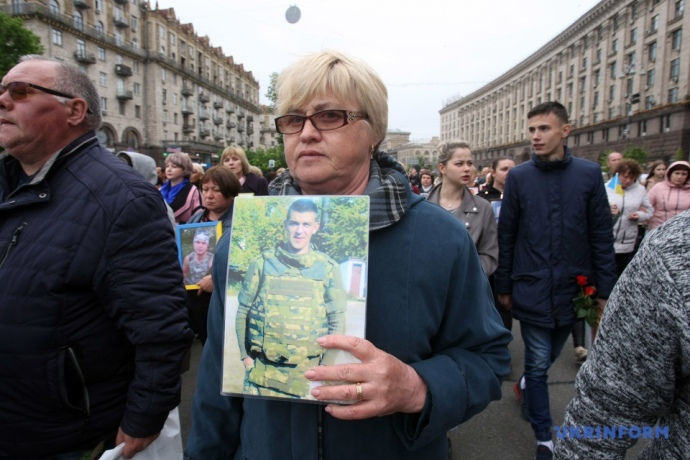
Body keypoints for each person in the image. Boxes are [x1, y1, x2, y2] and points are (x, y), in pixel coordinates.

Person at [185, 49, 511, 460]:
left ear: (374, 132)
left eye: (329, 116)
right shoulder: (242, 242)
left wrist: (417, 387)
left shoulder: (440, 238)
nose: (306, 133)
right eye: (293, 120)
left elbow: (488, 358)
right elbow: (216, 385)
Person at [0, 55, 193, 459]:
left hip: (64, 434)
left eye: (19, 91)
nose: (3, 100)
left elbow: (160, 329)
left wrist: (144, 418)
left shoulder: (122, 199)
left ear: (74, 111)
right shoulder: (10, 181)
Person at [494, 101, 617, 460]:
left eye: (544, 128)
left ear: (565, 130)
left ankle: (525, 386)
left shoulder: (588, 174)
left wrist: (604, 290)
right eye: (532, 129)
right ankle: (544, 437)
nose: (536, 136)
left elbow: (600, 235)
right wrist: (504, 285)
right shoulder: (519, 178)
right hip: (531, 286)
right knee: (537, 363)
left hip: (575, 290)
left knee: (550, 355)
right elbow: (507, 235)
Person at [555, 209, 690, 459]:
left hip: (612, 259)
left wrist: (606, 290)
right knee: (539, 357)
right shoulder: (674, 250)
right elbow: (603, 413)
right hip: (550, 279)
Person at [235, 198, 346, 398]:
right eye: (294, 223)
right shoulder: (262, 264)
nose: (299, 231)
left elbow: (337, 319)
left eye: (306, 224)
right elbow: (243, 311)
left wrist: (325, 366)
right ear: (285, 224)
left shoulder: (328, 268)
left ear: (315, 227)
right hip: (261, 373)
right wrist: (245, 357)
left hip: (306, 375)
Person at [185, 166, 240, 345]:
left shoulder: (239, 220)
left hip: (224, 297)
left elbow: (243, 262)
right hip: (196, 295)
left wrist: (217, 279)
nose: (209, 195)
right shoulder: (196, 219)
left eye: (216, 190)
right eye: (205, 189)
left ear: (230, 192)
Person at [427, 141, 498, 277]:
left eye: (469, 163)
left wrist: (466, 278)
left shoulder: (483, 208)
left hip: (467, 286)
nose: (467, 169)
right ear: (442, 168)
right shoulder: (422, 207)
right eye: (459, 164)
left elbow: (489, 255)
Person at [477, 156, 516, 331]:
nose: (509, 173)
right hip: (489, 257)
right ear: (493, 172)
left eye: (512, 169)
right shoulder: (481, 198)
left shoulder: (519, 196)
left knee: (505, 307)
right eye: (504, 169)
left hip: (511, 258)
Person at [606, 158, 653, 276]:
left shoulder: (640, 190)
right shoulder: (607, 187)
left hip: (626, 239)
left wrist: (639, 216)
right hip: (607, 237)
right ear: (617, 174)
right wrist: (607, 210)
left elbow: (649, 211)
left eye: (632, 178)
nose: (628, 181)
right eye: (625, 176)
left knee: (621, 272)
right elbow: (595, 209)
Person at [647, 160, 690, 230]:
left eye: (684, 174)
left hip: (682, 230)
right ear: (670, 173)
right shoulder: (658, 187)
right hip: (659, 229)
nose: (680, 176)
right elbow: (646, 206)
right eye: (677, 173)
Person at [160, 152, 202, 224]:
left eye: (174, 166)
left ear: (184, 170)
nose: (169, 169)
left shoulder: (193, 191)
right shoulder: (159, 190)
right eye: (167, 166)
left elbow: (199, 217)